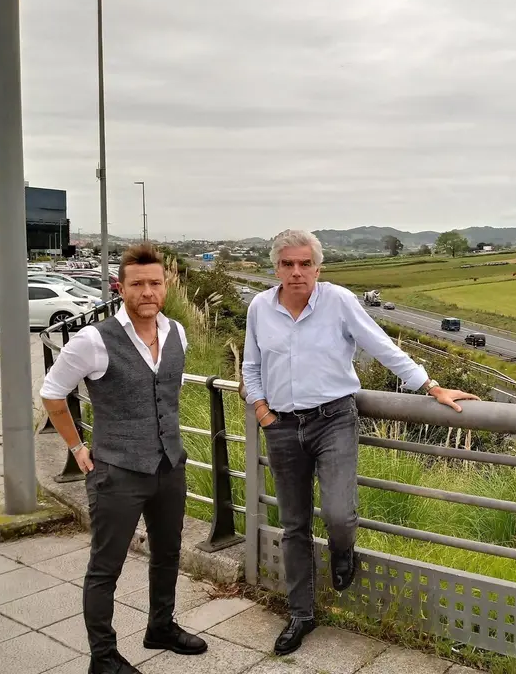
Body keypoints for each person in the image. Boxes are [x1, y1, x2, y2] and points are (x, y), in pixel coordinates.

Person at [242, 229, 479, 656]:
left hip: (333, 420)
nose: (297, 272)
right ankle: (300, 614)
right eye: (287, 264)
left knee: (337, 512)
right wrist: (262, 411)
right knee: (293, 524)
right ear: (275, 268)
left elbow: (382, 346)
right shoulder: (260, 307)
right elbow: (251, 364)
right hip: (281, 427)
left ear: (318, 268)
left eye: (304, 264)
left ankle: (342, 550)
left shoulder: (339, 302)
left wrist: (431, 386)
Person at [40, 243, 207, 674]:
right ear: (122, 287)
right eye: (137, 284)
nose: (147, 291)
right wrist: (77, 447)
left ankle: (161, 627)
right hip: (117, 472)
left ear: (164, 286)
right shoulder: (94, 339)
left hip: (170, 465)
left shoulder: (177, 333)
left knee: (168, 552)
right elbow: (53, 393)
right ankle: (103, 656)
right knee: (105, 567)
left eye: (155, 283)